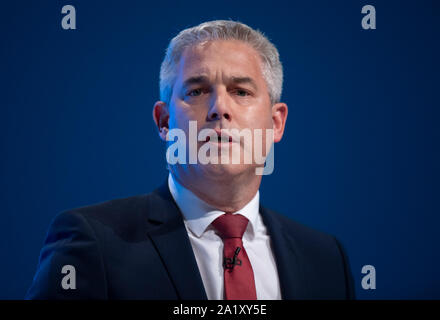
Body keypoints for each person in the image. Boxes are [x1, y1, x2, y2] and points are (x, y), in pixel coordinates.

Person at [26, 20, 355, 300]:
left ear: (275, 123)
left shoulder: (326, 260)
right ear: (164, 122)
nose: (219, 108)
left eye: (241, 91)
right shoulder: (92, 243)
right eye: (196, 91)